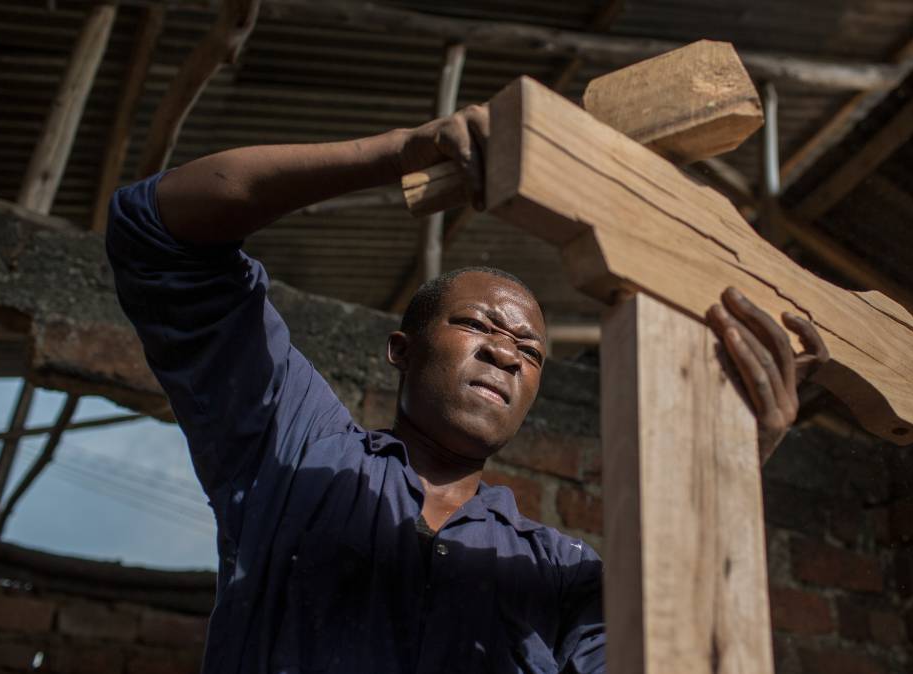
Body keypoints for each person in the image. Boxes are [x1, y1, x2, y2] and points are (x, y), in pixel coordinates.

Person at [107, 105, 828, 674]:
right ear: (402, 350)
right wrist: (397, 153)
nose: (507, 354)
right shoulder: (297, 453)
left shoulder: (560, 572)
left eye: (532, 352)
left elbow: (668, 654)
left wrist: (736, 461)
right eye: (481, 325)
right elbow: (156, 231)